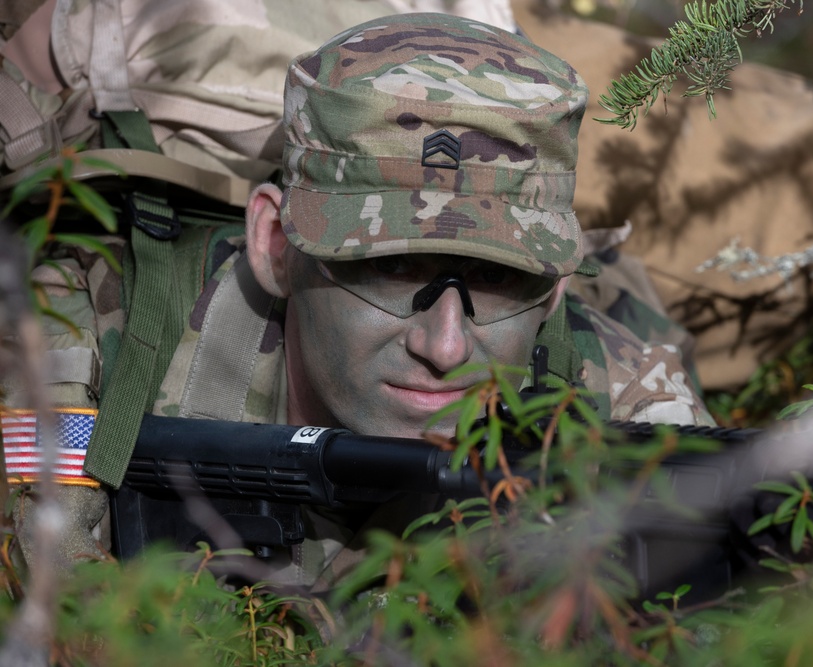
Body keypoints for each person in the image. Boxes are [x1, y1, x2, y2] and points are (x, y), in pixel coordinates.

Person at [5, 13, 712, 586]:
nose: (444, 346)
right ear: (276, 243)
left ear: (557, 286)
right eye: (393, 268)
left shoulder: (629, 405)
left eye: (497, 279)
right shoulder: (94, 336)